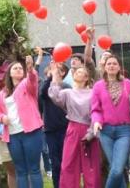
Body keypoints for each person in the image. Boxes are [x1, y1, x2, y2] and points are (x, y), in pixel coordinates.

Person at [49, 59, 100, 188]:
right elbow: (54, 96)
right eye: (76, 72)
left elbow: (96, 112)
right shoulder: (68, 93)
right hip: (72, 129)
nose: (78, 73)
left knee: (90, 166)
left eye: (81, 72)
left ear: (87, 78)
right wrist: (55, 76)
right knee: (68, 164)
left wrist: (91, 133)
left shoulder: (93, 92)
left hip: (89, 129)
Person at [0, 55, 44, 188]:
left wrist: (30, 68)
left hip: (31, 132)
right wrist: (2, 118)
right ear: (9, 73)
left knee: (34, 169)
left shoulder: (26, 85)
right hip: (12, 135)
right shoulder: (3, 93)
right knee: (20, 170)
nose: (18, 70)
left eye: (20, 68)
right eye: (15, 68)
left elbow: (32, 79)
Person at [92, 54, 130, 188]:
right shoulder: (98, 86)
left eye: (114, 63)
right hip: (106, 131)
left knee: (117, 169)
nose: (111, 66)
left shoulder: (128, 84)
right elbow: (95, 109)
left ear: (119, 67)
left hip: (125, 131)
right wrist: (97, 121)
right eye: (109, 64)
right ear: (104, 67)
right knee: (115, 169)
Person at [40, 57, 70, 188]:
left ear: (63, 73)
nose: (53, 71)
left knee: (66, 160)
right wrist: (50, 78)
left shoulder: (67, 87)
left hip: (65, 128)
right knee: (55, 162)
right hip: (50, 130)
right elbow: (42, 93)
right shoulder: (45, 86)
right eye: (51, 70)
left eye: (57, 70)